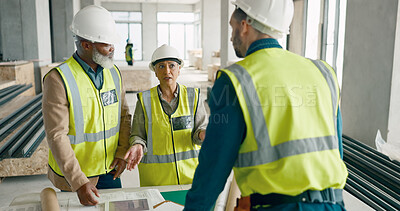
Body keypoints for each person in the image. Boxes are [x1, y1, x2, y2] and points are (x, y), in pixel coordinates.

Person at [184, 0, 348, 210]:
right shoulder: (324, 73)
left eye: (232, 27)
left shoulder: (236, 80)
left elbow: (212, 170)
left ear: (244, 25)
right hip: (333, 204)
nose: (231, 35)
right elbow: (336, 151)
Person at [42, 5, 131, 206]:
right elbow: (57, 135)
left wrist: (122, 152)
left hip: (110, 169)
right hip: (75, 178)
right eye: (106, 43)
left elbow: (124, 116)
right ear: (86, 45)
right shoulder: (58, 79)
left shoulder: (114, 73)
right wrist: (79, 182)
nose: (112, 48)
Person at [124, 44, 208, 186]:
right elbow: (137, 135)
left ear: (179, 69)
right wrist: (137, 144)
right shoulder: (145, 100)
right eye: (161, 66)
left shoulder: (193, 97)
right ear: (155, 72)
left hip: (191, 179)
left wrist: (203, 134)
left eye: (172, 66)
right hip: (156, 182)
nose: (167, 71)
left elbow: (200, 131)